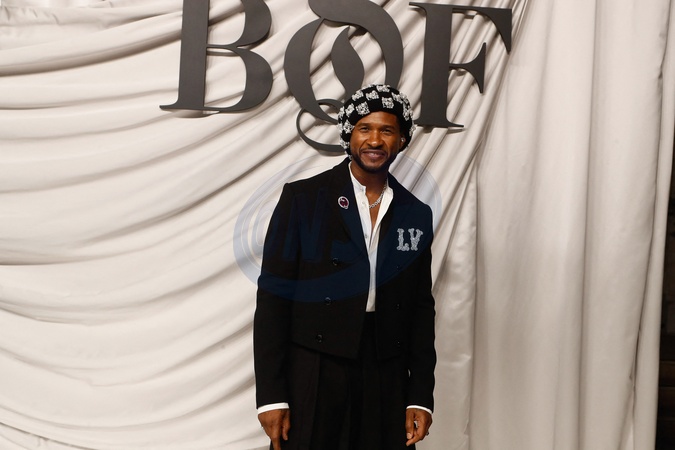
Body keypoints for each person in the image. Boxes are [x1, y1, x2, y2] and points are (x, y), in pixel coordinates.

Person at [254, 84, 436, 450]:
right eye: (364, 128)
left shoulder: (416, 212)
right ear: (349, 135)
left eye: (387, 130)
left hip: (385, 370)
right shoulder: (303, 199)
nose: (375, 140)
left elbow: (420, 309)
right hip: (315, 366)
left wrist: (419, 396)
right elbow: (274, 299)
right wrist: (272, 397)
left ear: (401, 140)